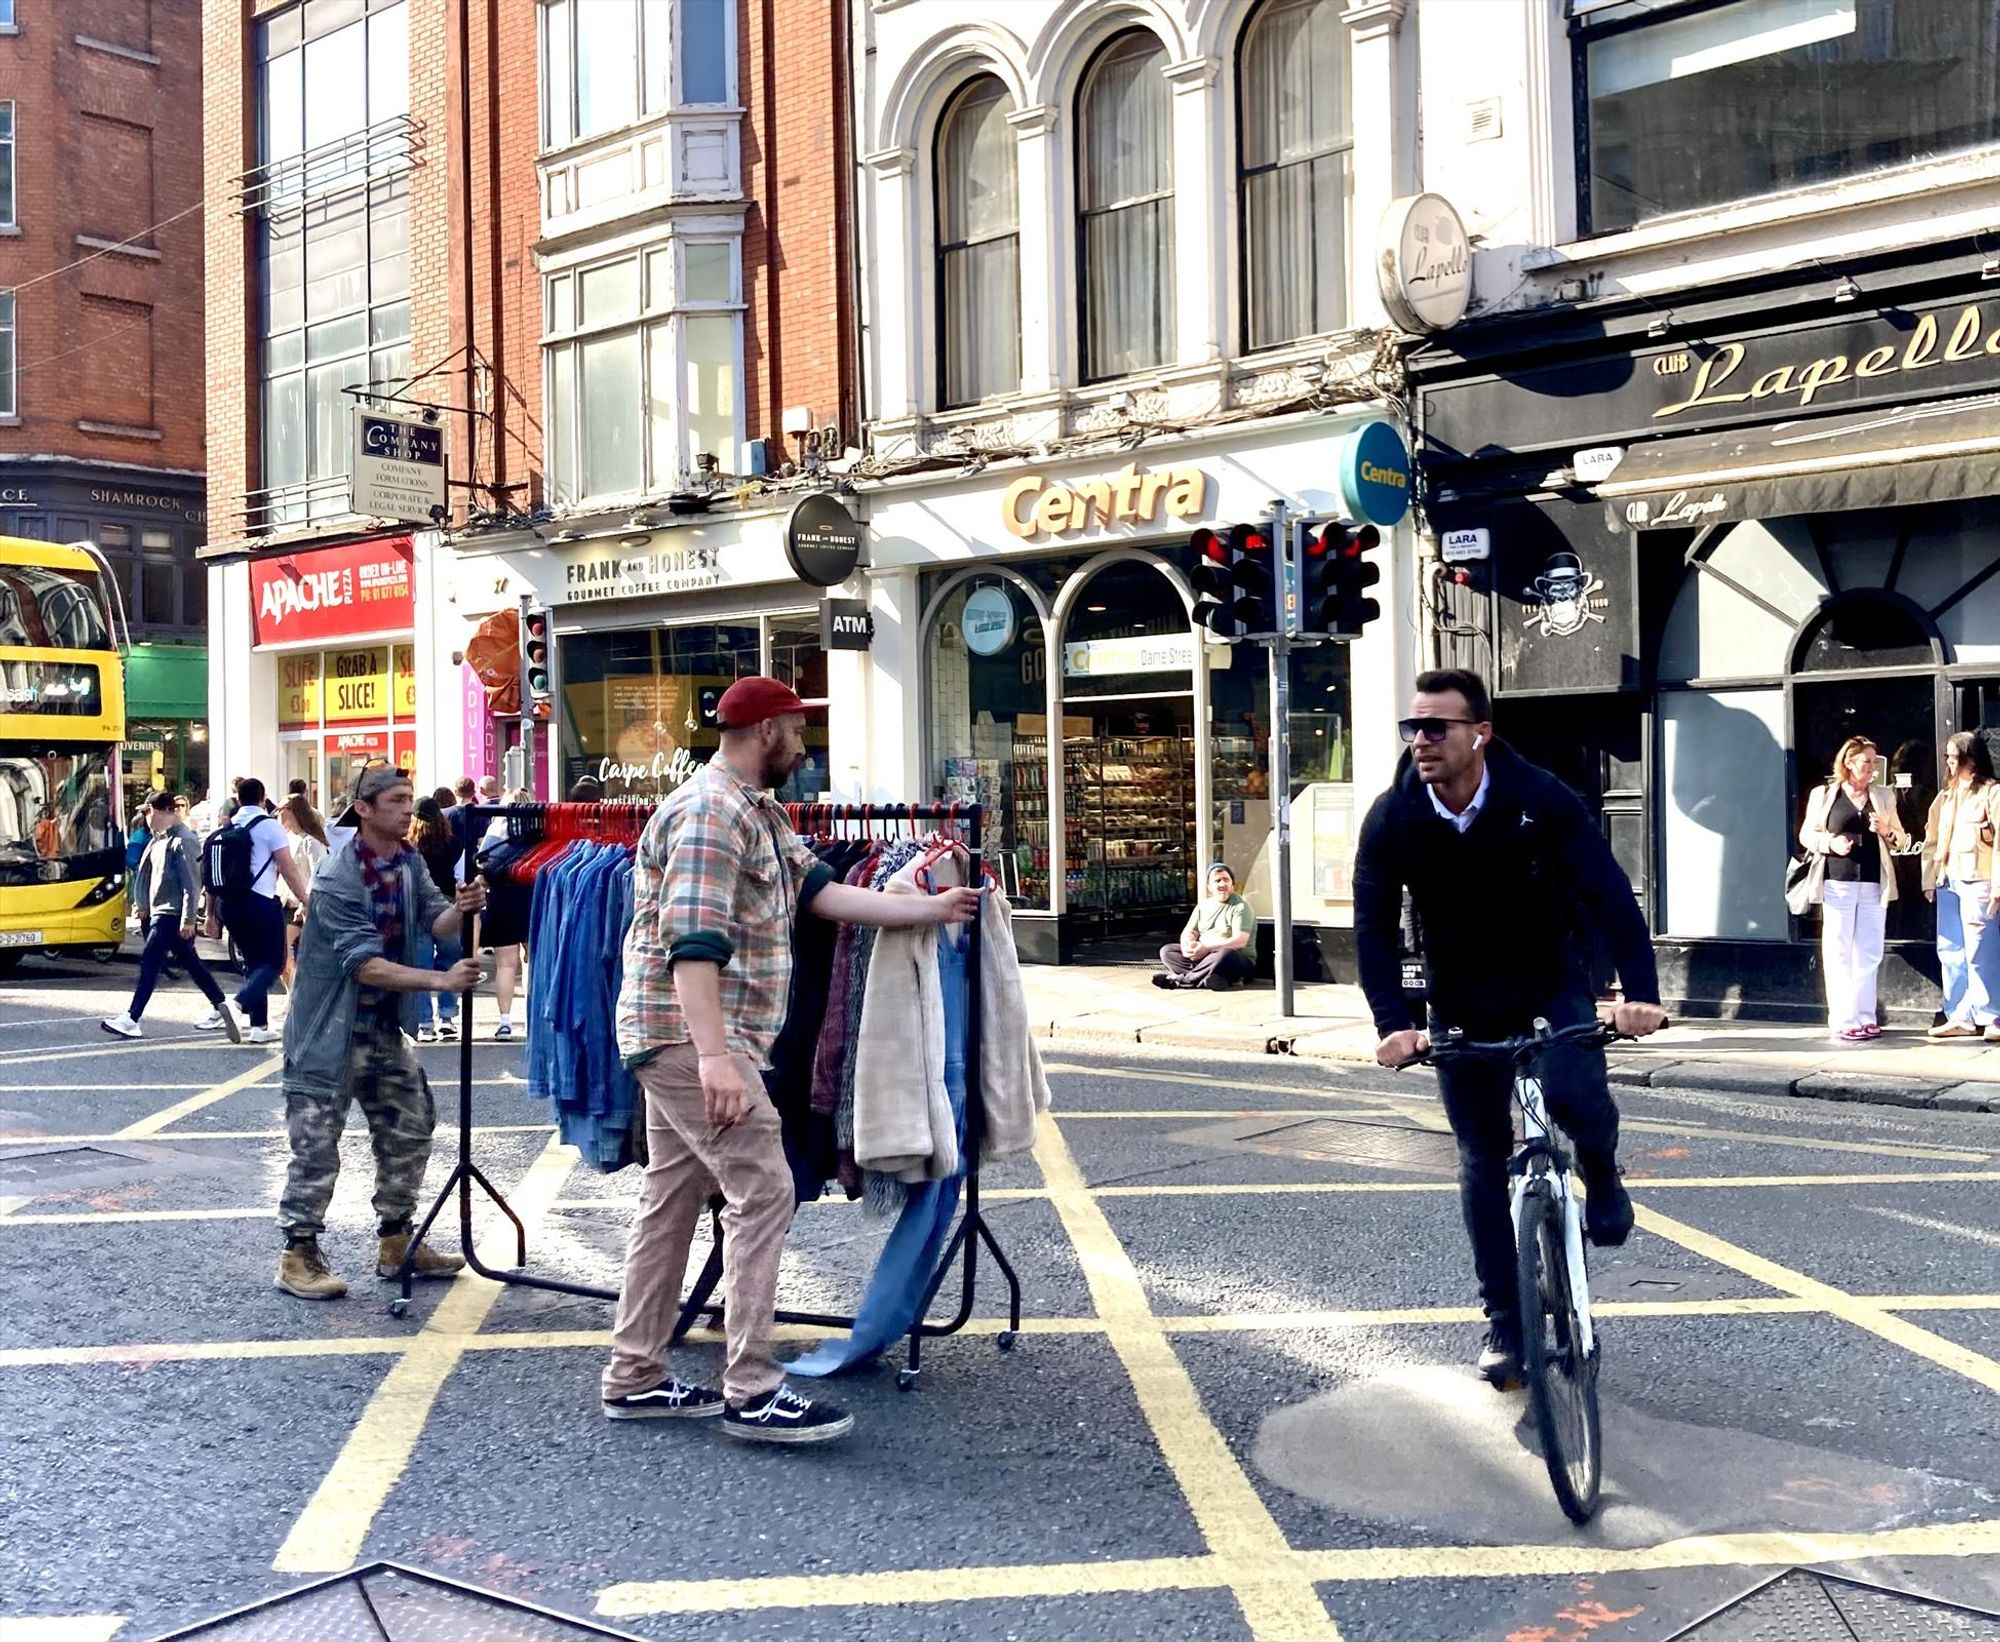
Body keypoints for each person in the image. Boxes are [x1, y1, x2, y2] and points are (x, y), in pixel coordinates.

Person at [602, 676, 980, 1444]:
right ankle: (751, 1387)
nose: (805, 745)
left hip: (696, 1034)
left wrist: (929, 908)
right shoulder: (711, 813)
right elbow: (693, 942)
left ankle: (635, 1374)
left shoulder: (759, 812)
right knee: (765, 1187)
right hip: (691, 1035)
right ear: (767, 730)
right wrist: (714, 1058)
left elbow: (827, 896)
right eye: (798, 730)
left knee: (673, 1198)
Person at [1354, 669, 1667, 1389]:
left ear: (1480, 733)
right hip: (1460, 999)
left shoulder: (1540, 798)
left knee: (1574, 1094)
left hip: (1550, 979)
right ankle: (1505, 1320)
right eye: (1414, 727)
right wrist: (1394, 1024)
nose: (1422, 741)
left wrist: (1640, 995)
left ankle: (1601, 1169)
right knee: (1480, 1157)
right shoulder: (1395, 817)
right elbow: (1370, 927)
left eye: (1438, 727)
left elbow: (1609, 894)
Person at [274, 764, 489, 1301]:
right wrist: (441, 979)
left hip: (379, 1027)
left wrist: (460, 911)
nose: (406, 809)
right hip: (328, 1032)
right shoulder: (336, 878)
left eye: (408, 799)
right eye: (395, 800)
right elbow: (363, 965)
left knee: (411, 1121)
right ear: (364, 809)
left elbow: (433, 918)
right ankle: (297, 1255)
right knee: (317, 1143)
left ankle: (396, 1241)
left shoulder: (407, 860)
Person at [101, 792, 239, 1041]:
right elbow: (146, 873)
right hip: (159, 910)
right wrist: (142, 903)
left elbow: (191, 882)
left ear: (166, 811)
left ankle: (132, 1018)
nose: (146, 816)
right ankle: (221, 1005)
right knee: (191, 964)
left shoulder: (184, 839)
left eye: (149, 811)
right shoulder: (159, 838)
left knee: (150, 961)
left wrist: (188, 919)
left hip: (171, 914)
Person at [1799, 736, 1907, 1044]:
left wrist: (1885, 831)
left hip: (1873, 881)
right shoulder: (1824, 794)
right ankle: (1843, 1019)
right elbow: (1808, 834)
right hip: (1838, 881)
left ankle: (1865, 1016)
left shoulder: (1884, 796)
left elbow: (1900, 837)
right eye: (1867, 762)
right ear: (1848, 763)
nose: (1872, 768)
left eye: (1874, 761)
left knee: (1869, 951)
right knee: (1838, 950)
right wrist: (1831, 843)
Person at [205, 777, 314, 1046]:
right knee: (274, 962)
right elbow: (287, 868)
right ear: (263, 799)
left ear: (239, 800)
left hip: (228, 904)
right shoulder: (270, 827)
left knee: (253, 963)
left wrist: (210, 914)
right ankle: (238, 1004)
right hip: (260, 902)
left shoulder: (228, 826)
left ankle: (260, 1026)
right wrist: (306, 899)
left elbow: (211, 873)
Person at [1922, 732, 2000, 1043]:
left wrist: (1998, 885)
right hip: (1948, 879)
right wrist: (1929, 879)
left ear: (1972, 757)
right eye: (1948, 757)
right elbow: (1932, 839)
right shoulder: (1947, 795)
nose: (1950, 762)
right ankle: (1960, 1015)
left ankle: (1991, 1015)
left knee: (1981, 949)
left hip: (1978, 878)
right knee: (1951, 949)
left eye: (1955, 756)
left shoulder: (1992, 793)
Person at [408, 795, 464, 1042]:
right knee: (449, 960)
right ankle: (447, 1017)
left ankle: (424, 1022)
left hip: (417, 907)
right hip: (448, 906)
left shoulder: (408, 847)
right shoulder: (454, 843)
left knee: (420, 966)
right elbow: (461, 877)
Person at [1153, 863, 1255, 990]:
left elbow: (1240, 941)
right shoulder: (1203, 905)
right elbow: (1189, 931)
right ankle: (1212, 979)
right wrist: (1187, 946)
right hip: (1205, 958)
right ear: (1209, 887)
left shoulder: (1241, 906)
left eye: (1226, 880)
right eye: (1217, 881)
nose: (1222, 884)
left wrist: (1206, 948)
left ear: (1232, 884)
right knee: (1167, 951)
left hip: (1235, 960)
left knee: (1226, 954)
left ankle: (1183, 980)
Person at [277, 795, 330, 990]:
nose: (279, 815)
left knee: (284, 951)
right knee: (284, 957)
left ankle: (296, 997)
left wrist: (305, 902)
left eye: (282, 810)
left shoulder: (311, 841)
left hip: (302, 904)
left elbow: (318, 872)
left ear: (292, 811)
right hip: (284, 901)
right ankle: (293, 995)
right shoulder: (287, 838)